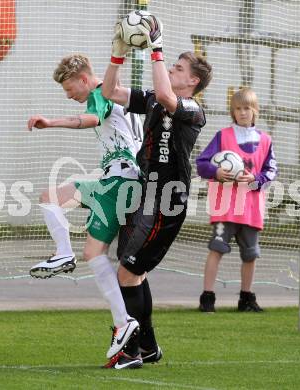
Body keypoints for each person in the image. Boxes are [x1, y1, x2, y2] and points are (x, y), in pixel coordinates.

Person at [101, 16, 212, 369]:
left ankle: (131, 350)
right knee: (134, 272)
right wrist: (117, 54)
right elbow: (109, 92)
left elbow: (167, 94)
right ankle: (146, 347)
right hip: (145, 195)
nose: (172, 70)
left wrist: (156, 47)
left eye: (179, 68)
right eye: (173, 66)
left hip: (167, 200)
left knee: (126, 273)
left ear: (192, 81)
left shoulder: (193, 110)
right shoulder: (152, 99)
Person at [27, 54, 143, 360]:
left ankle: (64, 254)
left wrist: (50, 122)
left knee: (49, 198)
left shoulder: (101, 93)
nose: (68, 96)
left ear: (83, 79)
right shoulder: (122, 95)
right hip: (123, 180)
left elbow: (91, 119)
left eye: (69, 89)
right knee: (93, 254)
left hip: (119, 180)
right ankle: (123, 323)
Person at [196, 87, 278, 313]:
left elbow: (271, 171)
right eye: (238, 109)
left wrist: (255, 179)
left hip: (251, 208)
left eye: (247, 108)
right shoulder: (223, 136)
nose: (242, 113)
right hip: (225, 207)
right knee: (217, 248)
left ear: (255, 111)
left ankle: (246, 298)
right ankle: (208, 297)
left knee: (251, 254)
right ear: (233, 112)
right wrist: (216, 172)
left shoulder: (265, 140)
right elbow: (202, 163)